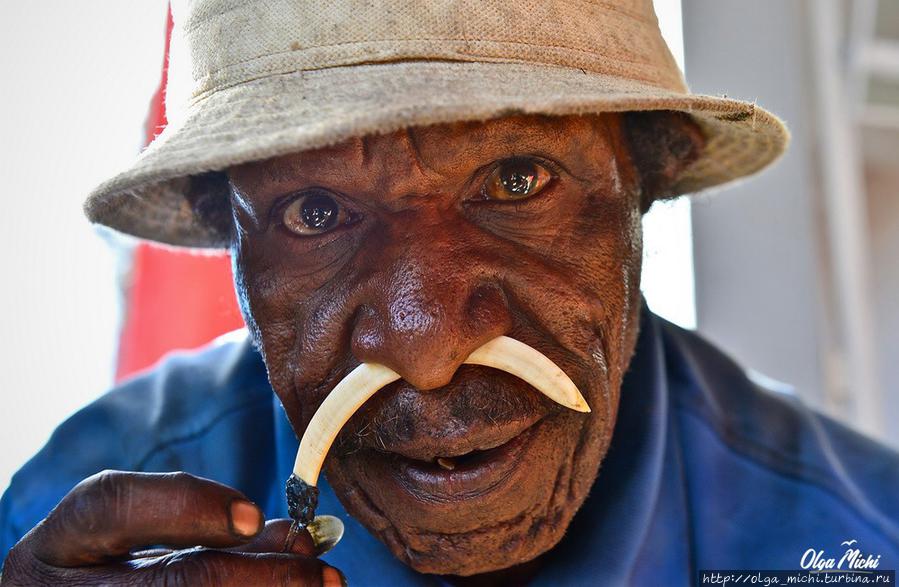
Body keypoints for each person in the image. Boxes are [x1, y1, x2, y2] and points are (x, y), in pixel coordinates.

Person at [2, 1, 897, 585]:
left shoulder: (855, 547)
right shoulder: (72, 529)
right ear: (227, 232)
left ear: (648, 170)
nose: (426, 350)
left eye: (516, 179)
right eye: (315, 211)